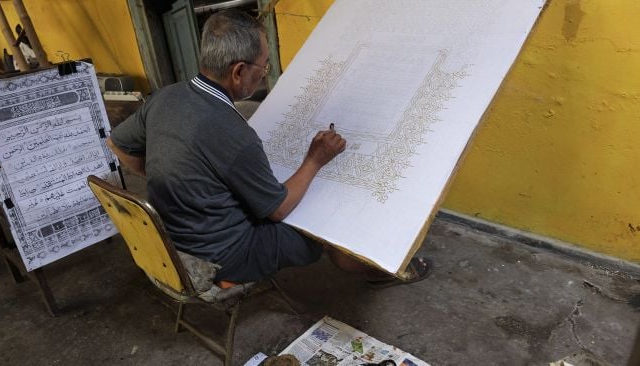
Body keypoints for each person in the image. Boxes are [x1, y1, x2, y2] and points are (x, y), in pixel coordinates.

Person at [107, 10, 431, 287]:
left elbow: (118, 145)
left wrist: (173, 179)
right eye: (263, 67)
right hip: (225, 255)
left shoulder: (165, 96)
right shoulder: (234, 133)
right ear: (238, 71)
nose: (264, 74)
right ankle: (380, 270)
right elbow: (278, 210)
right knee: (324, 225)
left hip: (171, 238)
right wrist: (315, 160)